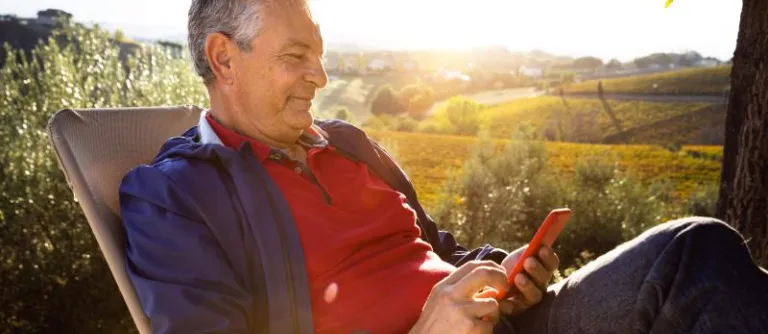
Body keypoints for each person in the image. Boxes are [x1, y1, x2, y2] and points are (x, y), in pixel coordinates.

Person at [118, 0, 768, 333]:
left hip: (507, 326)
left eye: (320, 55)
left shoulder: (346, 145)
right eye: (296, 57)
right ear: (224, 59)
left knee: (694, 253)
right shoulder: (175, 195)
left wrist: (509, 268)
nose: (321, 76)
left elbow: (442, 252)